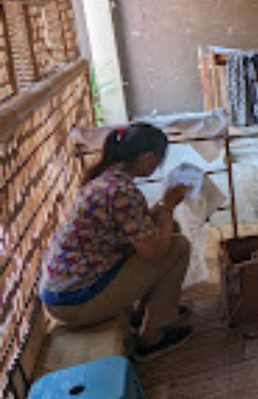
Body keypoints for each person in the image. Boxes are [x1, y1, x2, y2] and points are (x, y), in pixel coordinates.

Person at [40, 122, 193, 360]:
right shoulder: (121, 191)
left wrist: (162, 208)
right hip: (74, 302)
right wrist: (169, 206)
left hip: (66, 290)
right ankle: (152, 338)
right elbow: (154, 252)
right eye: (159, 160)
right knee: (178, 246)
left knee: (168, 229)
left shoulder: (107, 178)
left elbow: (133, 225)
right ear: (147, 158)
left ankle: (144, 314)